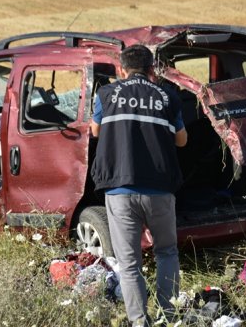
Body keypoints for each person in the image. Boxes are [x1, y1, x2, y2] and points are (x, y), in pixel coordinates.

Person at [90, 44, 188, 327]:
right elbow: (182, 141)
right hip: (159, 188)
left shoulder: (107, 94)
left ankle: (139, 321)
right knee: (166, 252)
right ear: (151, 70)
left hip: (120, 190)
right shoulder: (168, 97)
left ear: (121, 69)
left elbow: (95, 131)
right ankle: (170, 316)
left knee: (129, 262)